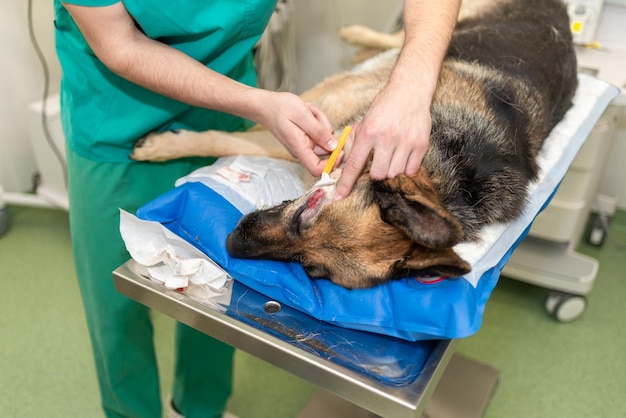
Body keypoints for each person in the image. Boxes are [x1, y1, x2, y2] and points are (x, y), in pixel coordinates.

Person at [54, 1, 460, 417]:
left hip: (227, 101)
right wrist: (259, 105)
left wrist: (411, 87)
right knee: (117, 309)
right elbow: (118, 45)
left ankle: (200, 408)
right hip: (117, 118)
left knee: (218, 292)